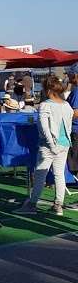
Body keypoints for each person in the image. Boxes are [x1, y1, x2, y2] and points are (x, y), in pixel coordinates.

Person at [17, 75, 74, 217]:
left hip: (49, 145)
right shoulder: (67, 105)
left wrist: (50, 143)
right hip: (64, 143)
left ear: (47, 89)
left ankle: (32, 204)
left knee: (40, 174)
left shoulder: (45, 105)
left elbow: (43, 128)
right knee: (59, 174)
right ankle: (58, 205)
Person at [66, 65, 78, 210]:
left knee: (75, 165)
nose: (68, 77)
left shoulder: (76, 91)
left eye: (69, 75)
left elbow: (75, 112)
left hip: (76, 131)